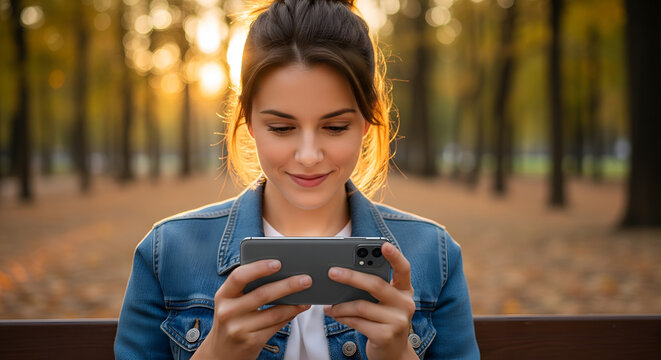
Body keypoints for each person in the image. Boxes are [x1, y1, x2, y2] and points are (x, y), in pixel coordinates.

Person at [114, 0, 480, 358]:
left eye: (335, 127)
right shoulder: (166, 254)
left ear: (366, 122)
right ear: (249, 122)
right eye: (282, 127)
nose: (308, 155)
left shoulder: (435, 256)